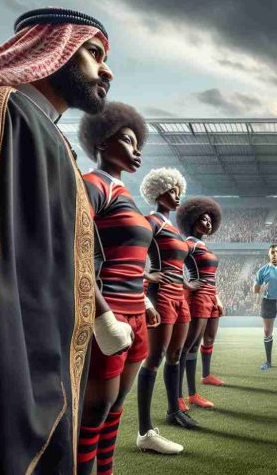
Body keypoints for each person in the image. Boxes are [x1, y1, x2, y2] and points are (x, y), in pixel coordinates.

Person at [0, 8, 134, 474]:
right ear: (51, 49)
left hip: (40, 363)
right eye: (93, 53)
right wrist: (24, 386)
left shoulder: (40, 127)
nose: (106, 69)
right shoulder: (6, 110)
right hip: (10, 371)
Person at [79, 102, 180, 474]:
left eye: (139, 144)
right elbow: (73, 249)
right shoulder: (93, 184)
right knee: (94, 413)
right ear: (102, 142)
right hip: (110, 314)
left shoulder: (124, 193)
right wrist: (103, 315)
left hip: (135, 313)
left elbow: (124, 257)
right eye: (127, 140)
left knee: (115, 408)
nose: (137, 150)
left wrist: (141, 298)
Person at [137, 167, 198, 444]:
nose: (176, 196)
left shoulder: (173, 227)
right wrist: (147, 275)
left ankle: (174, 410)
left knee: (176, 354)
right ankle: (145, 427)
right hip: (161, 295)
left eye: (178, 191)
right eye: (171, 190)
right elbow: (131, 252)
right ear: (157, 192)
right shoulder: (151, 221)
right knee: (155, 357)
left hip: (180, 296)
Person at [178, 197, 224, 410]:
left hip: (211, 296)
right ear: (193, 220)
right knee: (187, 347)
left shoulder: (203, 244)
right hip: (198, 297)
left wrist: (218, 297)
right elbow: (172, 264)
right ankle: (181, 396)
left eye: (209, 220)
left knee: (205, 341)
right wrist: (187, 284)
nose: (208, 223)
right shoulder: (187, 243)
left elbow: (211, 275)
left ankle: (196, 389)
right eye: (204, 220)